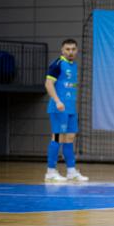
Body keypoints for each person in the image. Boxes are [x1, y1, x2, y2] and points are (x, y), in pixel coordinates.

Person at [44, 39, 88, 182]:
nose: (70, 52)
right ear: (62, 50)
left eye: (73, 49)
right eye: (67, 49)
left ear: (76, 51)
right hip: (59, 108)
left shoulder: (73, 65)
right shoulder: (57, 64)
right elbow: (48, 83)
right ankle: (50, 172)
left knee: (69, 138)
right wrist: (57, 101)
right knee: (57, 137)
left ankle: (71, 171)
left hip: (70, 109)